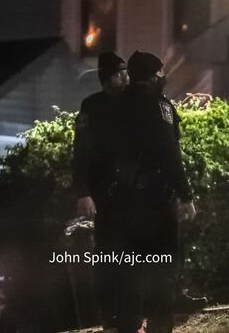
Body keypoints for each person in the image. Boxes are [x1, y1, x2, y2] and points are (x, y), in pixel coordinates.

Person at [107, 50, 196, 333]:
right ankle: (159, 327)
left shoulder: (115, 106)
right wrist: (186, 195)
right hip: (155, 201)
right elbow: (169, 152)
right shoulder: (160, 106)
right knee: (161, 271)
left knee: (128, 273)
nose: (163, 76)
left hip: (121, 203)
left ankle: (128, 327)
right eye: (160, 71)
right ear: (154, 75)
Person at [72, 51, 129, 329]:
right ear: (107, 79)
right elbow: (80, 152)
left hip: (132, 194)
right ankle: (109, 317)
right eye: (119, 74)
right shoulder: (91, 106)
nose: (125, 78)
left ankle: (129, 313)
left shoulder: (134, 103)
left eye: (126, 73)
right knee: (107, 256)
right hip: (103, 193)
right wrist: (83, 192)